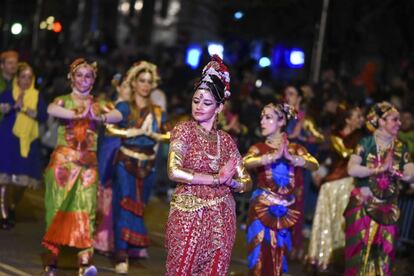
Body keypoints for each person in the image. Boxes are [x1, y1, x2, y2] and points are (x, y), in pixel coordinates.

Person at [165, 55, 252, 275]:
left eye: (207, 102)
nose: (199, 107)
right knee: (181, 269)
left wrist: (231, 182)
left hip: (222, 218)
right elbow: (173, 171)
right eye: (196, 101)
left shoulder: (226, 141)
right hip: (188, 212)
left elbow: (246, 181)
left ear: (219, 107)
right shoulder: (183, 131)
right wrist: (215, 179)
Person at [41, 58, 123, 276]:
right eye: (79, 75)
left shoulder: (98, 104)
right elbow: (51, 109)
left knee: (86, 212)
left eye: (88, 76)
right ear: (71, 78)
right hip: (63, 166)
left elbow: (118, 115)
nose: (83, 79)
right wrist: (77, 114)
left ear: (93, 80)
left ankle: (85, 263)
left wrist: (100, 116)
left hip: (88, 166)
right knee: (56, 210)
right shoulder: (63, 101)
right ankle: (51, 262)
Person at [107, 61, 169, 274]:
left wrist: (155, 135)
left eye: (149, 82)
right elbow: (108, 126)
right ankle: (120, 253)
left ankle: (129, 248)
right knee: (124, 204)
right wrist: (129, 133)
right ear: (133, 83)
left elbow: (169, 134)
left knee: (139, 207)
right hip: (126, 162)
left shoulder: (158, 112)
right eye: (141, 81)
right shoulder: (124, 107)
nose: (145, 85)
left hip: (148, 165)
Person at [243, 102, 319, 276]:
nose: (262, 121)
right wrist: (270, 157)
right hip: (261, 208)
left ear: (282, 121)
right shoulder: (259, 148)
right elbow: (245, 162)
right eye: (262, 117)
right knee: (258, 257)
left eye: (268, 117)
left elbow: (314, 164)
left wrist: (294, 159)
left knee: (278, 258)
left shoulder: (295, 149)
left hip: (284, 211)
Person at [345, 101, 414, 275]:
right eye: (394, 119)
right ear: (381, 122)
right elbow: (352, 168)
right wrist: (378, 169)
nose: (399, 123)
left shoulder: (401, 148)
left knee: (384, 256)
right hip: (363, 205)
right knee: (358, 255)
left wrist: (401, 174)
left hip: (388, 209)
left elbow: (410, 172)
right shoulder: (366, 143)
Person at [306, 105, 364, 271]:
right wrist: (321, 173)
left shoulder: (361, 138)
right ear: (348, 119)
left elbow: (350, 157)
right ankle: (323, 258)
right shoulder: (337, 137)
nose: (361, 119)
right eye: (358, 116)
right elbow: (338, 158)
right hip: (331, 185)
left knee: (343, 223)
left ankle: (339, 262)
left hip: (348, 184)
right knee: (327, 222)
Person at [0, 62, 47, 229]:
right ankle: (4, 215)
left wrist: (27, 110)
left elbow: (43, 116)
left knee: (21, 183)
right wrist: (10, 107)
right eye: (23, 77)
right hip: (7, 137)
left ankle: (12, 207)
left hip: (27, 141)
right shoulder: (8, 93)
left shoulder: (36, 96)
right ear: (17, 78)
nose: (26, 80)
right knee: (4, 179)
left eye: (29, 77)